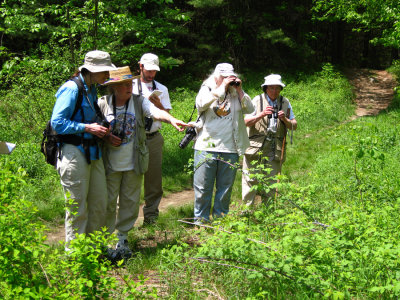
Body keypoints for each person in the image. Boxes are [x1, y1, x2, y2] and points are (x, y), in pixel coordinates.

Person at [99, 66, 186, 258]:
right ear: (114, 87)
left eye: (130, 83)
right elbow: (95, 128)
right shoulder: (102, 103)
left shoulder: (139, 102)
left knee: (129, 202)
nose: (129, 87)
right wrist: (106, 138)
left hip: (133, 163)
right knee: (108, 203)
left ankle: (122, 240)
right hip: (109, 164)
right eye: (124, 85)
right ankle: (103, 242)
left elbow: (155, 112)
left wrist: (171, 119)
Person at [51, 50, 115, 247]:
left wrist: (102, 128)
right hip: (73, 152)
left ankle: (94, 250)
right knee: (77, 207)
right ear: (92, 70)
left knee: (98, 203)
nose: (108, 75)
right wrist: (87, 128)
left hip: (92, 151)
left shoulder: (91, 88)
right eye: (105, 71)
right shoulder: (72, 88)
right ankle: (76, 256)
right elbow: (57, 122)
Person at [191, 63, 255, 223]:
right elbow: (200, 104)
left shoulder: (235, 92)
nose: (228, 79)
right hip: (206, 146)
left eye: (230, 76)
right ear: (216, 75)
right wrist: (221, 87)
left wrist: (239, 90)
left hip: (231, 147)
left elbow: (250, 109)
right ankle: (201, 222)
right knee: (202, 188)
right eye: (224, 76)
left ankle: (220, 222)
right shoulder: (207, 87)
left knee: (225, 189)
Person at [242, 74, 297, 207]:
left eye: (277, 88)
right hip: (255, 147)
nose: (275, 91)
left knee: (271, 180)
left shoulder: (285, 102)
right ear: (265, 88)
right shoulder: (256, 100)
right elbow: (246, 122)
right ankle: (247, 212)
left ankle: (269, 211)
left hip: (275, 146)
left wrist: (285, 119)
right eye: (271, 88)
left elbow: (294, 125)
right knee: (250, 178)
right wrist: (261, 114)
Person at [132, 53, 172, 225]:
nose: (151, 74)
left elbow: (168, 115)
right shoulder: (130, 85)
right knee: (130, 180)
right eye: (148, 70)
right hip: (134, 138)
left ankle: (151, 218)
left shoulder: (162, 88)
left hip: (154, 138)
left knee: (154, 181)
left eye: (154, 71)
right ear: (140, 66)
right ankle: (127, 221)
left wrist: (158, 105)